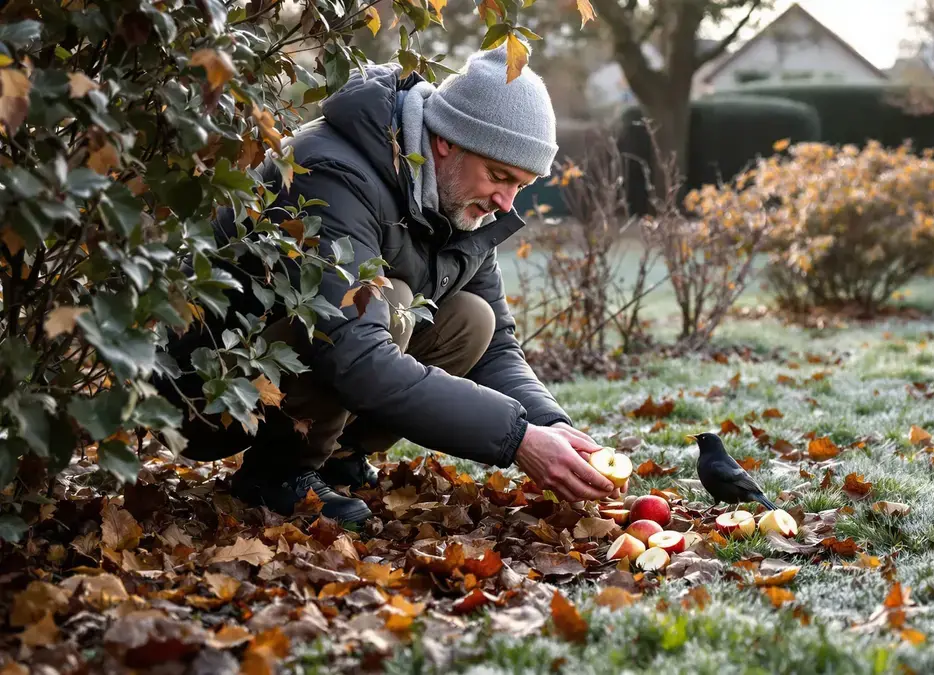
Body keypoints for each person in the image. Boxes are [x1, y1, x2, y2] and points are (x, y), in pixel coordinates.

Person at [158, 44, 621, 523]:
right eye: (499, 176)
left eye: (520, 186)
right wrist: (517, 439)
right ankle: (276, 474)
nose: (506, 203)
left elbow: (495, 347)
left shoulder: (456, 196)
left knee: (471, 320)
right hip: (208, 392)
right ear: (447, 141)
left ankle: (335, 455)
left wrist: (553, 428)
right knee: (388, 300)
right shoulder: (333, 172)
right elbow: (356, 356)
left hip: (297, 367)